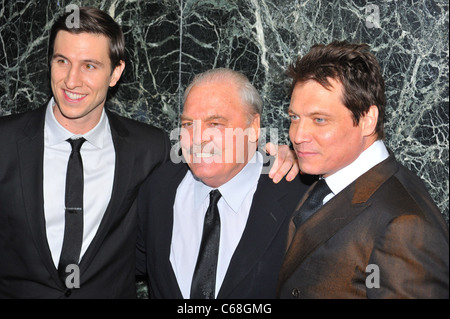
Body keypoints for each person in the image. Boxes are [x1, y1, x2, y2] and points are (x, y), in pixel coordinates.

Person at [0, 7, 297, 298]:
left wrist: (289, 157)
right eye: (62, 61)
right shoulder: (5, 140)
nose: (72, 80)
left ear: (116, 73)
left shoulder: (150, 148)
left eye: (89, 65)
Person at [277, 41, 449, 299]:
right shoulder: (326, 176)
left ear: (368, 119)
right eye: (294, 117)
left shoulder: (404, 227)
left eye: (319, 120)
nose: (298, 135)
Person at [136, 68, 311, 299]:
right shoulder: (158, 188)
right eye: (188, 124)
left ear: (253, 127)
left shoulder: (301, 197)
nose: (197, 139)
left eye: (215, 123)